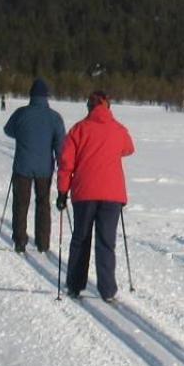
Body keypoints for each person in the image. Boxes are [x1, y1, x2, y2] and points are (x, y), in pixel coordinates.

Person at [57, 91, 134, 301]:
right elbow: (129, 148)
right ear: (108, 106)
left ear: (89, 107)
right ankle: (108, 290)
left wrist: (62, 191)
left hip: (84, 193)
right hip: (112, 195)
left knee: (81, 239)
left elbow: (66, 164)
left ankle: (74, 285)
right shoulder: (118, 129)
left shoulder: (78, 130)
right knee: (106, 241)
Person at [2, 78, 66, 254]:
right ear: (46, 96)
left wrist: (23, 134)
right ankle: (43, 243)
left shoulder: (21, 113)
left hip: (22, 166)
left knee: (21, 204)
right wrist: (63, 169)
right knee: (43, 204)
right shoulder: (55, 118)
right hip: (44, 169)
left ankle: (20, 241)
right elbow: (60, 147)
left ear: (31, 95)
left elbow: (8, 130)